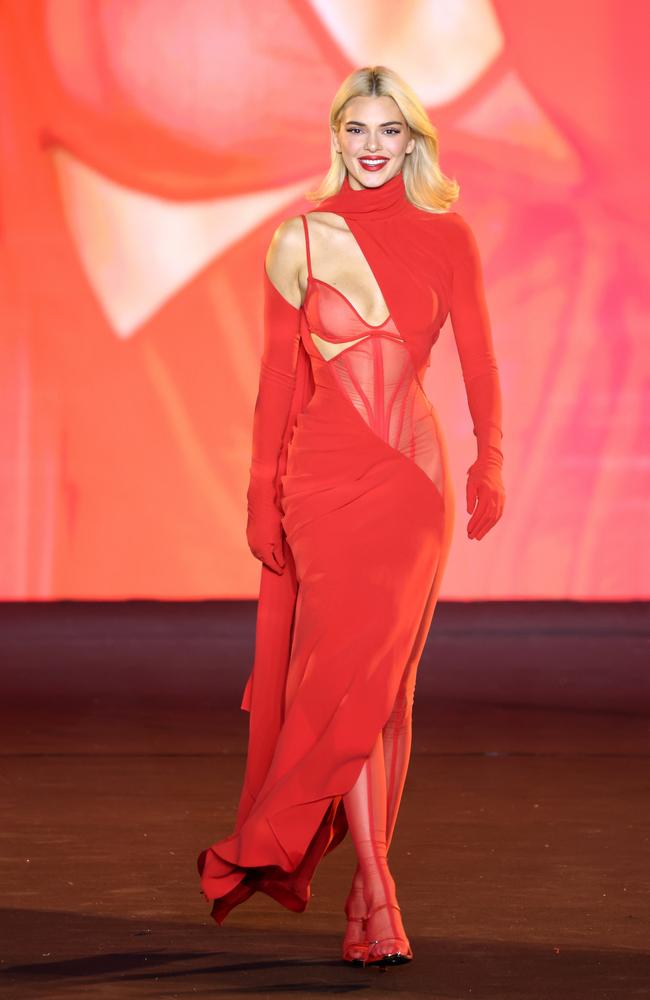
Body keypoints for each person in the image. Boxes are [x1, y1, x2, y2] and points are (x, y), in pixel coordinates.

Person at [197, 65, 505, 968]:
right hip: (320, 487)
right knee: (347, 691)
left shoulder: (449, 237)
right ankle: (375, 892)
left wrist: (493, 456)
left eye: (392, 132)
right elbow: (277, 385)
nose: (374, 147)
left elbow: (481, 361)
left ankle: (375, 890)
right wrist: (262, 498)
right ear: (337, 136)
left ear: (413, 142)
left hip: (410, 488)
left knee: (376, 690)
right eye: (359, 130)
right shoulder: (295, 240)